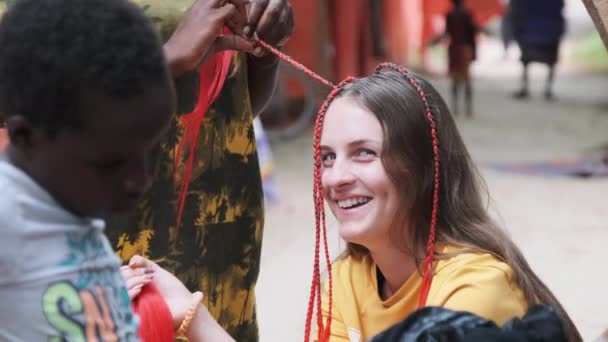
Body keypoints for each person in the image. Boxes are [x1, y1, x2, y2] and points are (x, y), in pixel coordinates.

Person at [314, 64, 582, 342]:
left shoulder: (476, 285)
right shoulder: (344, 280)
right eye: (328, 157)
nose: (335, 178)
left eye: (364, 153)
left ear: (424, 166)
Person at [103, 0, 294, 340]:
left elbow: (234, 104)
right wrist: (164, 61)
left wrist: (266, 47)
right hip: (109, 243)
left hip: (222, 231)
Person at [0, 0, 179, 339]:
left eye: (151, 151)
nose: (140, 180)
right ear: (25, 136)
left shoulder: (74, 214)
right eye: (111, 163)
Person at [432, 0, 483, 117]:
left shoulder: (450, 15)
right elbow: (474, 29)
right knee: (466, 79)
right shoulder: (467, 14)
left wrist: (435, 41)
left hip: (454, 50)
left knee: (455, 79)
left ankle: (455, 108)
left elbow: (447, 33)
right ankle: (468, 109)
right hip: (465, 49)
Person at [511, 0, 565, 100]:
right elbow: (560, 7)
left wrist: (517, 32)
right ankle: (547, 90)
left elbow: (517, 10)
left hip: (530, 31)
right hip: (549, 31)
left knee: (526, 61)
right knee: (550, 62)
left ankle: (525, 88)